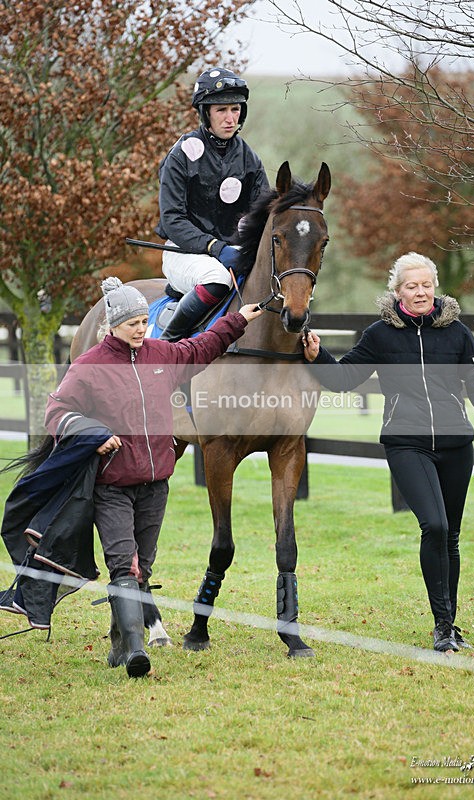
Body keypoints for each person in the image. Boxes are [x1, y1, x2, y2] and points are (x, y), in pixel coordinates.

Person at [44, 277, 263, 677]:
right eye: (134, 324)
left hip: (155, 483)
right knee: (123, 565)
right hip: (112, 486)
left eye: (145, 321)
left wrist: (237, 321)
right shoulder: (88, 366)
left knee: (143, 562)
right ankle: (133, 649)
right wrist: (93, 435)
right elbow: (57, 413)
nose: (142, 329)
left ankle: (117, 640)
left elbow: (200, 348)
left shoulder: (160, 354)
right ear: (113, 325)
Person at [303, 252, 474, 652]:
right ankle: (441, 626)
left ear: (435, 287)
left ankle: (449, 624)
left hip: (456, 445)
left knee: (450, 535)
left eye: (426, 285)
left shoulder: (458, 333)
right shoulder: (381, 334)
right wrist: (318, 358)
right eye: (412, 286)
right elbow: (345, 378)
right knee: (433, 526)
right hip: (405, 443)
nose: (421, 292)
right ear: (397, 292)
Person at [155, 66, 270, 341]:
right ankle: (165, 350)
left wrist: (245, 248)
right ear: (205, 112)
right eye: (221, 110)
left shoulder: (249, 160)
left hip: (234, 253)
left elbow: (263, 217)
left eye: (235, 109)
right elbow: (172, 220)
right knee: (216, 279)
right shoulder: (181, 155)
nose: (230, 118)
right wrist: (214, 247)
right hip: (184, 254)